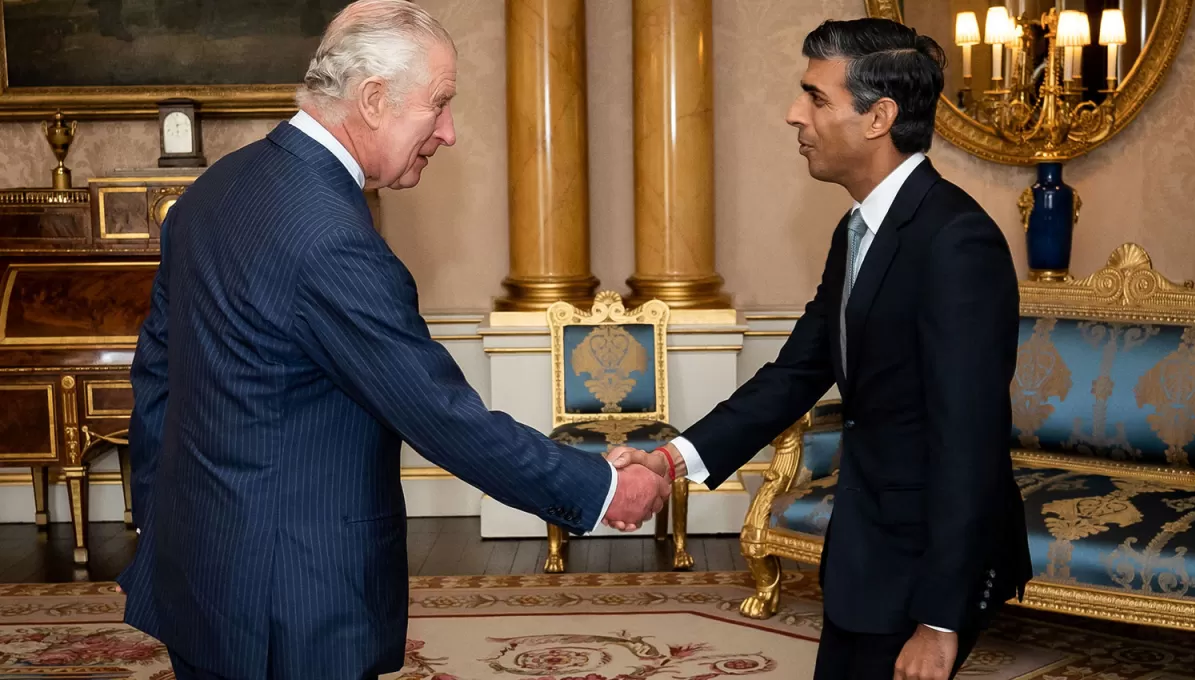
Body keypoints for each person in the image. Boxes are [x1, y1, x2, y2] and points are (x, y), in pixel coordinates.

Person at [115, 2, 669, 678]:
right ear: (373, 100)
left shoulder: (215, 189)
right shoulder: (331, 240)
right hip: (293, 602)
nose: (450, 132)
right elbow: (442, 417)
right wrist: (603, 488)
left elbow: (155, 380)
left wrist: (161, 525)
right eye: (438, 104)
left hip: (199, 573)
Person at [609, 18, 1032, 680]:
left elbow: (970, 440)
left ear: (878, 117)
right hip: (869, 546)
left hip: (923, 564)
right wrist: (670, 460)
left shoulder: (954, 242)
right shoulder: (859, 228)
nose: (793, 114)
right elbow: (795, 374)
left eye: (815, 96)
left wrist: (939, 620)